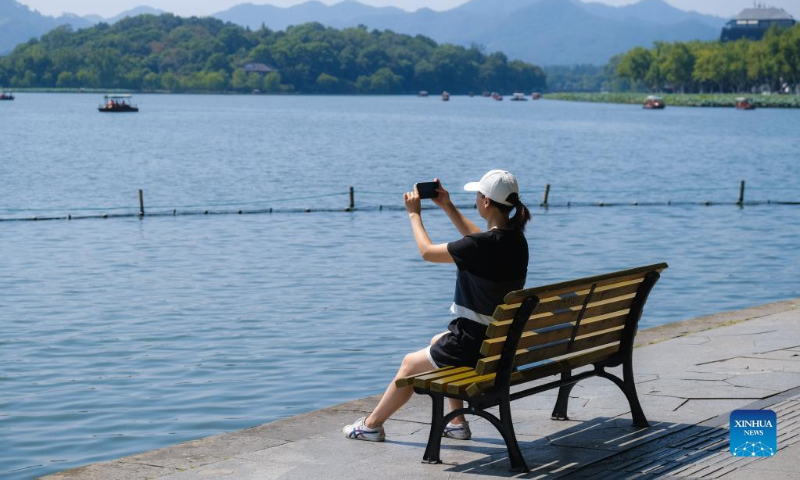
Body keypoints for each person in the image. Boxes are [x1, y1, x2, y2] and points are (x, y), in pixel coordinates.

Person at [344, 170, 530, 442]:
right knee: (436, 339)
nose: (476, 200)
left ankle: (371, 426)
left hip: (472, 342)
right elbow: (478, 240)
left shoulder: (482, 245)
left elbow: (427, 252)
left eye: (478, 195)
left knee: (408, 364)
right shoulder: (515, 240)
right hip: (499, 344)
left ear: (486, 202)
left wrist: (414, 214)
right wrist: (448, 207)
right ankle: (456, 422)